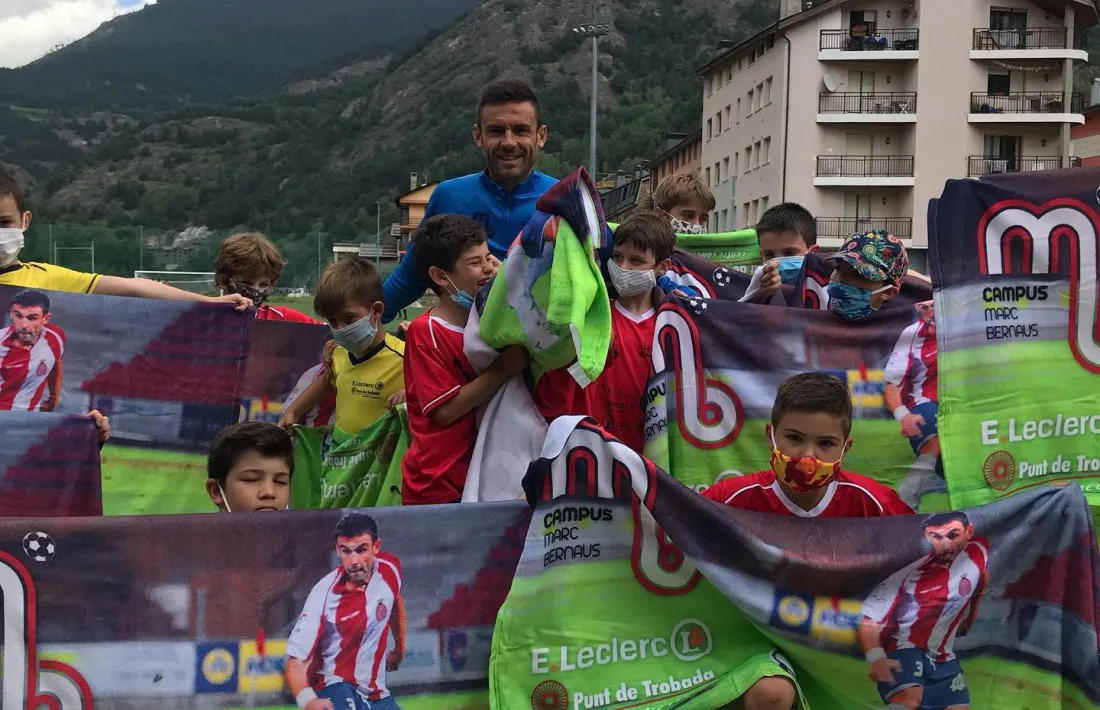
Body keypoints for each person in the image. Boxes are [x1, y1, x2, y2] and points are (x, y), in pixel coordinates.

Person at [703, 371, 913, 710]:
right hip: (760, 644)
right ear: (771, 436)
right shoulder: (730, 499)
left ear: (846, 447)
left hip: (840, 647)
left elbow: (926, 554)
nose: (807, 456)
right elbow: (671, 526)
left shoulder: (873, 503)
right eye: (795, 438)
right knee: (773, 695)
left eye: (826, 444)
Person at [381, 79, 557, 322]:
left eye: (520, 130)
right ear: (478, 136)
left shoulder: (565, 200)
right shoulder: (449, 196)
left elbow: (601, 279)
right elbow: (411, 277)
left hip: (544, 352)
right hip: (462, 351)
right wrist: (362, 323)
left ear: (541, 136)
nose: (508, 142)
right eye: (496, 131)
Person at [401, 215, 527, 504]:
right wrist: (502, 369)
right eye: (474, 263)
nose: (486, 269)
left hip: (485, 475)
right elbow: (444, 412)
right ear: (441, 276)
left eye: (488, 258)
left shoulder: (492, 324)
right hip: (438, 485)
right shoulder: (426, 332)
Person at [0, 170, 250, 310]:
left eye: (4, 223)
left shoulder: (47, 279)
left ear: (25, 220)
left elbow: (137, 288)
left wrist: (208, 302)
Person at [536, 211, 673, 453]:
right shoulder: (591, 318)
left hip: (652, 458)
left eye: (636, 260)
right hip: (593, 452)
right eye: (618, 257)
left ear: (663, 266)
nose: (622, 267)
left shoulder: (675, 326)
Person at [859, 512, 988, 710]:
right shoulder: (906, 569)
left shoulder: (977, 553)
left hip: (943, 655)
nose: (945, 545)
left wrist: (970, 617)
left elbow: (981, 576)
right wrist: (876, 658)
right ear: (927, 536)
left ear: (968, 531)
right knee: (909, 700)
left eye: (953, 535)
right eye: (936, 536)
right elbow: (869, 620)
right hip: (903, 647)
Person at [286, 512, 406, 710]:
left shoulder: (390, 569)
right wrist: (308, 700)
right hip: (335, 686)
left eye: (361, 549)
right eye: (346, 551)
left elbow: (394, 600)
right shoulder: (323, 594)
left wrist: (400, 649)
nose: (354, 561)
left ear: (376, 546)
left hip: (377, 694)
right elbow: (295, 661)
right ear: (337, 549)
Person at [278, 258, 405, 436]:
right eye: (332, 321)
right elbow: (326, 383)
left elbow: (431, 394)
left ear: (376, 310)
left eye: (349, 318)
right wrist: (293, 411)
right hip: (341, 455)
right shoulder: (337, 352)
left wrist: (409, 395)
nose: (340, 329)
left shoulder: (406, 358)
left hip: (383, 459)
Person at [0, 289, 111, 441]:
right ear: (11, 314)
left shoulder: (55, 337)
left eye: (32, 318)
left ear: (46, 318)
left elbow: (55, 362)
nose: (24, 325)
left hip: (26, 427)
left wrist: (54, 396)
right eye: (18, 316)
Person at [884, 300, 942, 509]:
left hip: (962, 405)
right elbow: (891, 384)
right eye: (924, 307)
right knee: (935, 442)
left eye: (934, 305)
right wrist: (903, 416)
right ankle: (906, 501)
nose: (930, 312)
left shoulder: (965, 329)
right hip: (923, 402)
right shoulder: (912, 334)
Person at [214, 232, 319, 323]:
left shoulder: (282, 318)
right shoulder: (204, 317)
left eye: (264, 284)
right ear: (223, 280)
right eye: (246, 283)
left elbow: (329, 336)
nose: (256, 291)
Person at [205, 421, 293, 512]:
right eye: (251, 479)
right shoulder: (197, 526)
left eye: (280, 481)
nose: (269, 492)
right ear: (216, 491)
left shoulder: (303, 526)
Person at [741, 202, 818, 302]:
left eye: (790, 253)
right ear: (761, 255)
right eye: (769, 255)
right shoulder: (755, 288)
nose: (775, 263)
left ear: (814, 252)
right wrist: (760, 294)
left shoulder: (828, 290)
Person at [825, 230, 908, 321]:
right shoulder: (811, 322)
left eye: (857, 273)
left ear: (888, 292)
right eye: (837, 268)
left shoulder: (906, 331)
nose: (840, 278)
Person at [650, 172, 715, 234]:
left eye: (703, 219)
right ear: (660, 215)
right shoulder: (643, 244)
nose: (697, 226)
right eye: (689, 215)